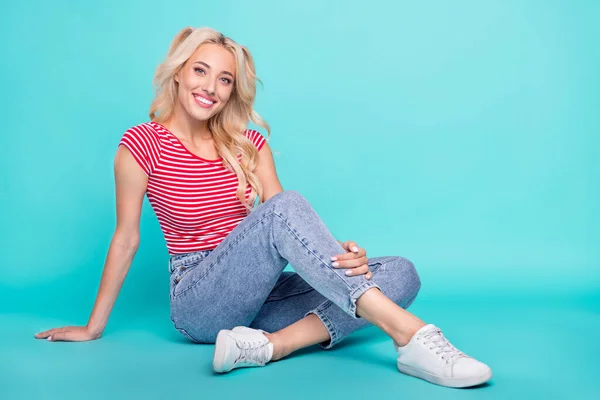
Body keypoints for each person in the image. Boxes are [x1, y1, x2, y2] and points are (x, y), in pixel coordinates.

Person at [35, 27, 492, 388]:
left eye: (224, 79)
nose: (210, 87)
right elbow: (127, 238)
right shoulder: (141, 144)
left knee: (400, 272)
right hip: (199, 299)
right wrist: (93, 328)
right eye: (200, 71)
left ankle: (268, 347)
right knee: (283, 206)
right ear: (178, 73)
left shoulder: (249, 144)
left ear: (233, 91)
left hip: (263, 295)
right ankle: (412, 336)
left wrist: (342, 257)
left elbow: (289, 234)